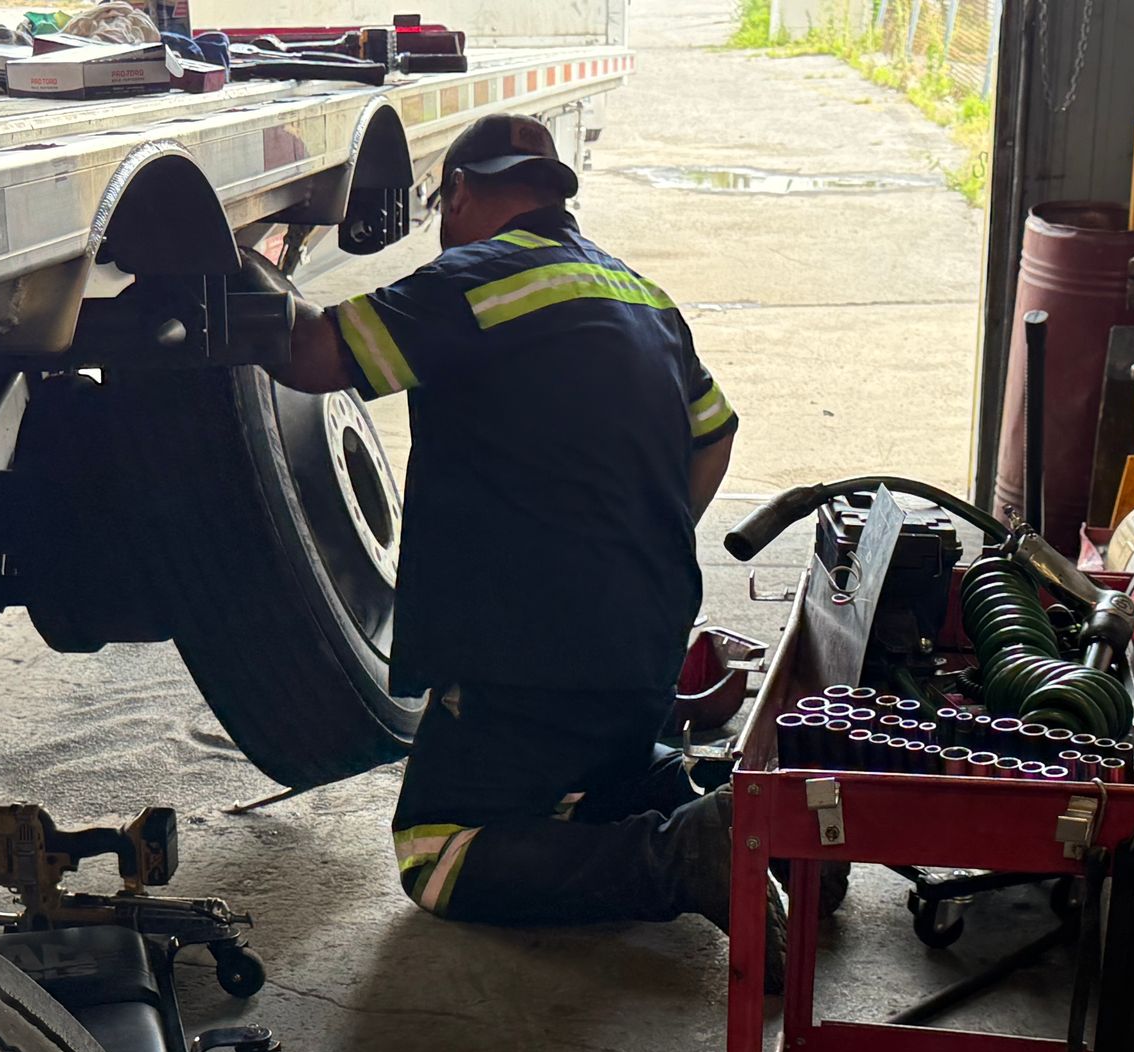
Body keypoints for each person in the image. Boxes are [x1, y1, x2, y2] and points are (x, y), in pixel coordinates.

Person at [263, 113, 766, 945]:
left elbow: (315, 357)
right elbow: (716, 435)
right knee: (578, 777)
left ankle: (678, 858)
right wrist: (636, 542)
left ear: (458, 191)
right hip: (645, 647)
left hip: (535, 657)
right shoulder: (640, 293)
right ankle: (724, 819)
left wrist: (238, 275)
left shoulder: (476, 277)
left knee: (438, 851)